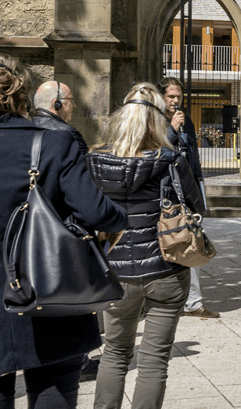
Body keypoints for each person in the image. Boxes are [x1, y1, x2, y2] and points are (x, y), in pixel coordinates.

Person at [0, 55, 126, 409]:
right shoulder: (56, 145)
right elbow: (98, 212)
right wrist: (120, 219)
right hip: (51, 298)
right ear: (22, 95)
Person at [88, 82, 203, 409]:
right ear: (157, 119)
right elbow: (195, 205)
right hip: (165, 268)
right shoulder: (170, 159)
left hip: (116, 273)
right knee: (154, 360)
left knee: (114, 352)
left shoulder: (96, 160)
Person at [161, 78, 215, 319]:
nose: (175, 100)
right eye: (171, 96)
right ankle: (160, 300)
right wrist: (171, 128)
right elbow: (157, 152)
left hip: (186, 192)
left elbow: (192, 156)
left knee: (191, 242)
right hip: (164, 194)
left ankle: (193, 302)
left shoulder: (187, 121)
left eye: (178, 96)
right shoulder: (155, 121)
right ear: (161, 97)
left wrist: (198, 186)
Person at [32, 81, 86, 152]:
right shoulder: (68, 133)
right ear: (57, 104)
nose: (74, 105)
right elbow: (82, 161)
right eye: (71, 100)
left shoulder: (24, 127)